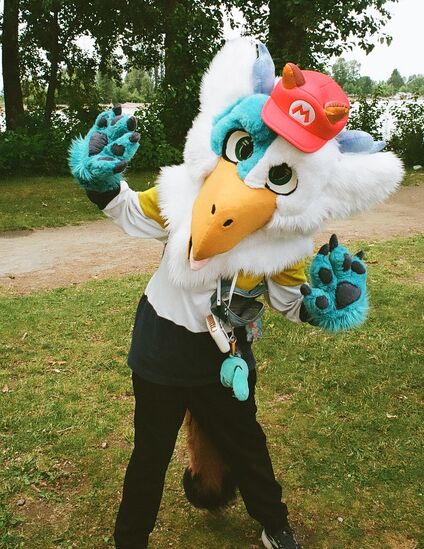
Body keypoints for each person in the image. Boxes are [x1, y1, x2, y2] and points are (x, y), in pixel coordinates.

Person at [69, 39, 402, 548]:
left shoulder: (287, 242)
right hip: (161, 344)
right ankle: (129, 540)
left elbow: (289, 301)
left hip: (224, 353)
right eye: (247, 149)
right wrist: (100, 176)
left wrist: (325, 305)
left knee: (247, 443)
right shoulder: (187, 190)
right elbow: (130, 211)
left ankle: (275, 526)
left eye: (281, 172)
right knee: (150, 452)